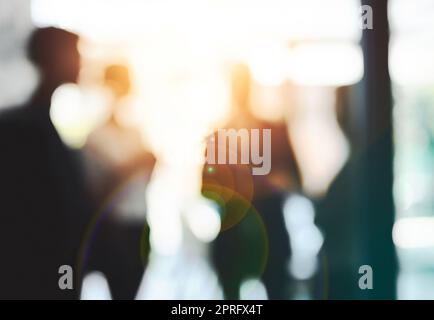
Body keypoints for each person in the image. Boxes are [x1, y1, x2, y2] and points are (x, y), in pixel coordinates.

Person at [0, 27, 90, 299]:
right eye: (74, 52)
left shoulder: (39, 128)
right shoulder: (21, 129)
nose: (81, 61)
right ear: (54, 57)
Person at [202, 63, 301, 299]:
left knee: (277, 289)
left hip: (269, 227)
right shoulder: (218, 134)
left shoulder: (274, 130)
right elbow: (207, 188)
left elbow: (293, 179)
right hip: (234, 233)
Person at [83, 64, 155, 299]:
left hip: (138, 225)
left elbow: (145, 181)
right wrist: (130, 168)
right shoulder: (95, 137)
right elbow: (96, 191)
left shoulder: (136, 133)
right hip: (114, 229)